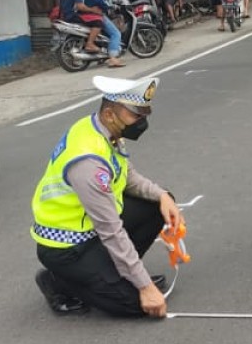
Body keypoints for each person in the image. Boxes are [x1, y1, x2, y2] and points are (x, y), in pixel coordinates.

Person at [31, 75, 185, 318]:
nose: (142, 121)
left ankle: (116, 273)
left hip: (91, 229)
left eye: (144, 114)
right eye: (136, 115)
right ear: (110, 114)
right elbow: (111, 230)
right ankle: (56, 282)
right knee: (136, 306)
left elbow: (127, 176)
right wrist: (144, 287)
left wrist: (163, 195)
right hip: (68, 246)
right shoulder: (88, 163)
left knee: (158, 205)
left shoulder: (101, 128)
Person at [84, 0, 125, 68]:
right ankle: (113, 58)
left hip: (88, 12)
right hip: (96, 13)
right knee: (116, 33)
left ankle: (101, 57)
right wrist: (108, 7)